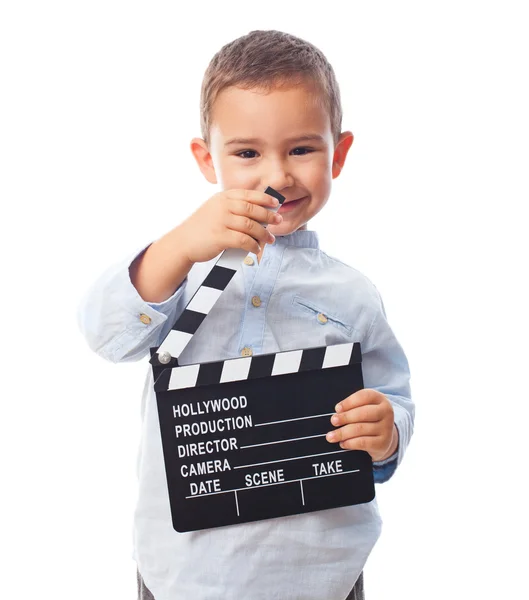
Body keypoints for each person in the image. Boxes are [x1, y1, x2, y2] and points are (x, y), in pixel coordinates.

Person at [77, 29, 414, 600]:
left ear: (340, 151)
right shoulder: (180, 269)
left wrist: (387, 433)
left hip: (321, 575)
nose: (277, 176)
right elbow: (106, 333)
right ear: (208, 160)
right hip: (184, 574)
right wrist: (180, 245)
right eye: (247, 153)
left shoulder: (353, 293)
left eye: (302, 149)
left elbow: (393, 400)